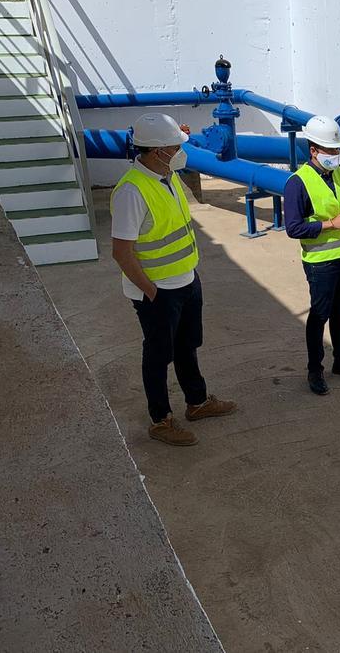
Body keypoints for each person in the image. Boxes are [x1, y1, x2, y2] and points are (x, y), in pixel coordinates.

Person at [110, 112, 236, 446]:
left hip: (185, 281)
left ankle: (197, 402)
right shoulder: (131, 192)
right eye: (173, 146)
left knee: (187, 346)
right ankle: (160, 420)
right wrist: (151, 292)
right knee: (157, 356)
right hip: (157, 292)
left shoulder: (166, 173)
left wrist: (188, 276)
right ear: (154, 151)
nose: (180, 150)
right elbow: (122, 253)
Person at [283, 115, 340, 396]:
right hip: (320, 263)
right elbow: (293, 228)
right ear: (314, 150)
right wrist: (333, 224)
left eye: (337, 150)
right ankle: (315, 369)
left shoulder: (339, 174)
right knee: (319, 315)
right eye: (330, 150)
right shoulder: (298, 183)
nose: (335, 155)